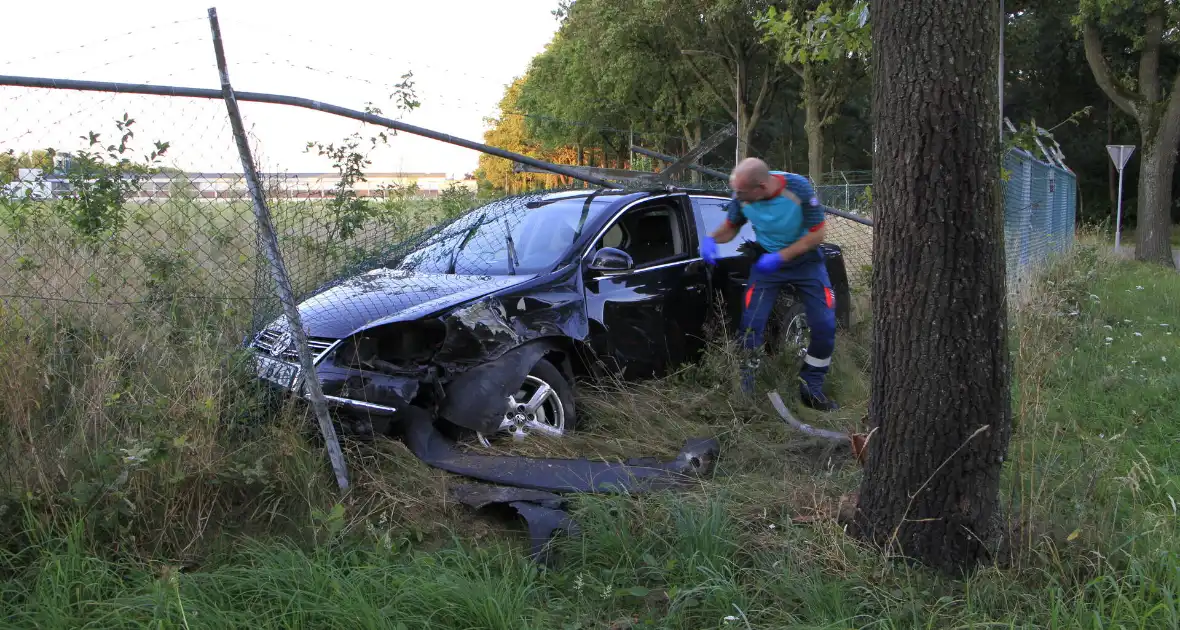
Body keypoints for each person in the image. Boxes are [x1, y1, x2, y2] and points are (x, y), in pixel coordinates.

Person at [699, 157, 839, 411]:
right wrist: (711, 239)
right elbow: (730, 227)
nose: (737, 196)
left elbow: (818, 234)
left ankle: (811, 387)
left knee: (824, 326)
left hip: (805, 263)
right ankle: (747, 391)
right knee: (751, 328)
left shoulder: (799, 190)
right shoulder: (743, 194)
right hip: (766, 266)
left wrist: (782, 257)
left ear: (762, 187)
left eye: (742, 192)